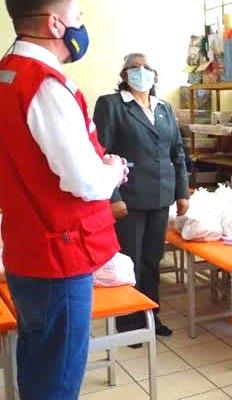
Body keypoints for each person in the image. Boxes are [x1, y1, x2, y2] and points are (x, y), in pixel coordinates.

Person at [0, 0, 129, 397]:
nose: (81, 24)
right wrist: (113, 170)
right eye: (77, 17)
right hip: (58, 254)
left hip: (27, 247)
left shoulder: (8, 74)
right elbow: (84, 182)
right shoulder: (44, 85)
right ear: (56, 24)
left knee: (39, 361)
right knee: (56, 377)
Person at [94, 53, 189, 338]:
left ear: (155, 75)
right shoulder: (112, 105)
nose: (141, 71)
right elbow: (99, 153)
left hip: (160, 197)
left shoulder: (164, 108)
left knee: (151, 260)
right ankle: (127, 321)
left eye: (146, 67)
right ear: (124, 75)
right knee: (129, 260)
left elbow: (177, 153)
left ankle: (150, 316)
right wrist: (113, 197)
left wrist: (182, 192)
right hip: (129, 199)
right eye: (134, 67)